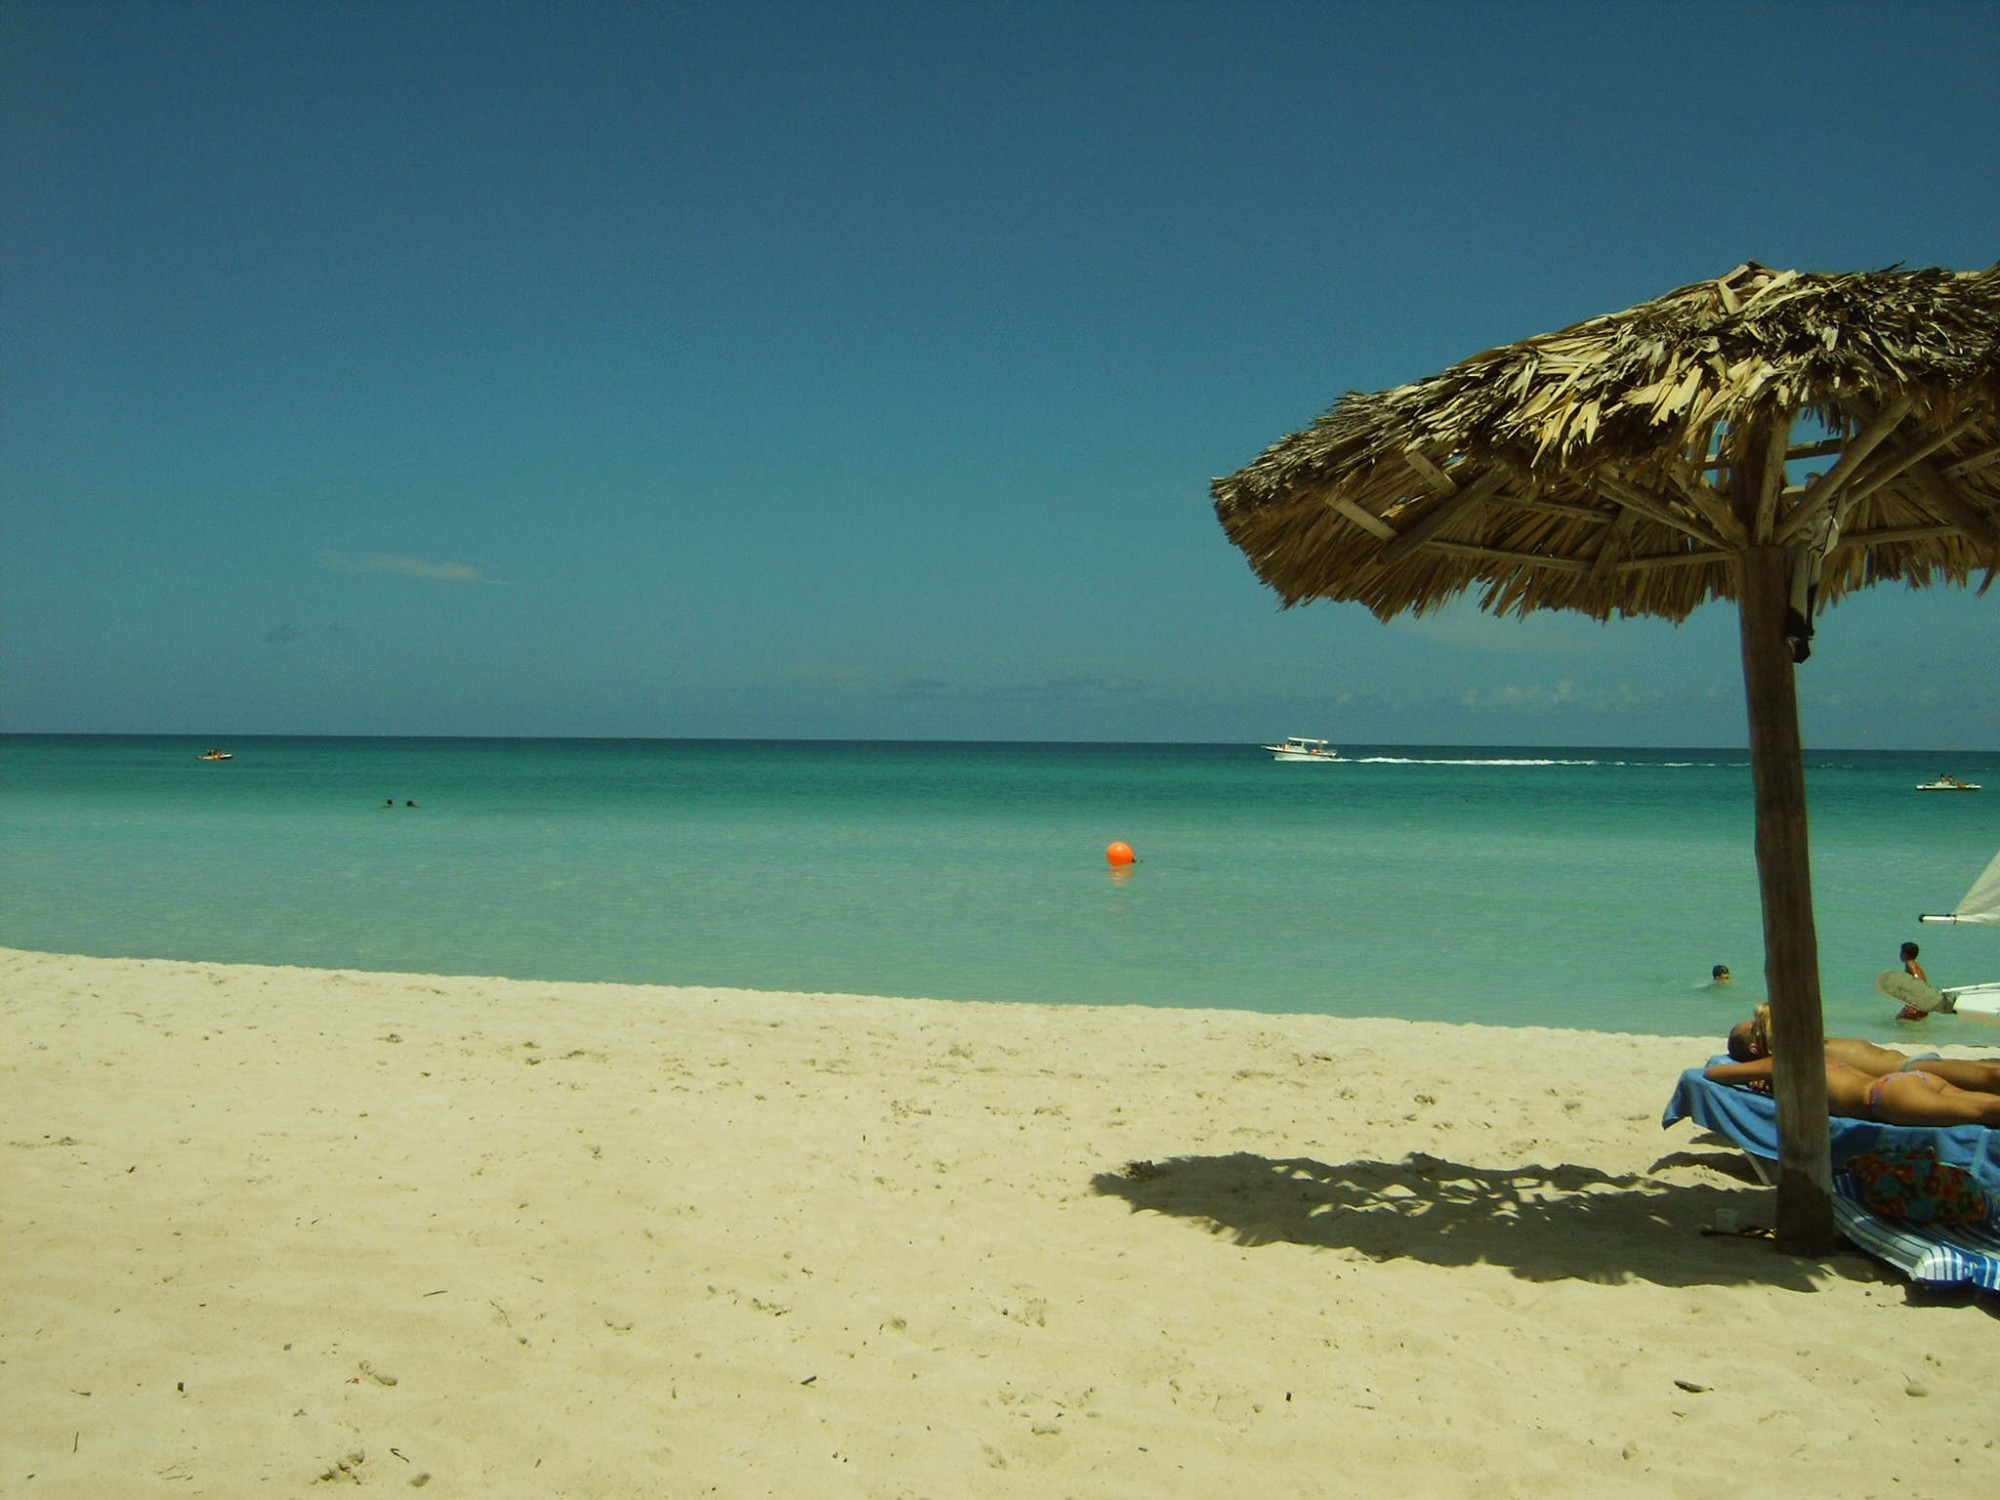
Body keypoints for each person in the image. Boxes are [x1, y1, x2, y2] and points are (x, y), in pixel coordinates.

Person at [1725, 1004, 2000, 1094]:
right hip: (1912, 1070)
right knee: (1990, 1078)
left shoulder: (1804, 1042)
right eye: (1759, 1025)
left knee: (1990, 1073)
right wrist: (1758, 1078)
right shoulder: (1795, 1059)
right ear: (1754, 1047)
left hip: (1916, 1062)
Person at [1895, 941, 1931, 1021]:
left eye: (1901, 952)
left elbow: (1919, 979)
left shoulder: (1909, 963)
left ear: (1905, 954)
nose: (1900, 954)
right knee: (1914, 1021)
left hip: (1918, 1001)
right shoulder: (1914, 964)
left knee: (1900, 1019)